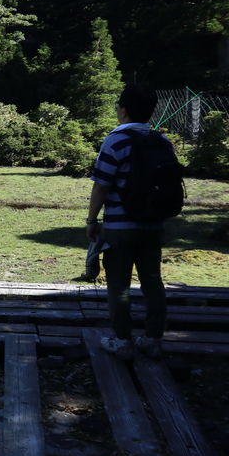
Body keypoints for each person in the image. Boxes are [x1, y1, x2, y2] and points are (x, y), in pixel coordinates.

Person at [86, 85, 167, 360]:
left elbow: (101, 186)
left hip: (120, 227)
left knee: (118, 285)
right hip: (153, 225)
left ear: (123, 110)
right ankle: (153, 339)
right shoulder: (161, 141)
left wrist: (91, 219)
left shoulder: (115, 140)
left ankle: (122, 340)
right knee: (152, 281)